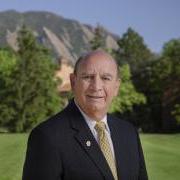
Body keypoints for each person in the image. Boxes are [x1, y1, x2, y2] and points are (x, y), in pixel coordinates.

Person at [23, 50, 148, 180]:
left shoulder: (129, 133)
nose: (96, 87)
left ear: (116, 87)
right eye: (88, 77)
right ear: (73, 82)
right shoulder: (47, 137)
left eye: (105, 78)